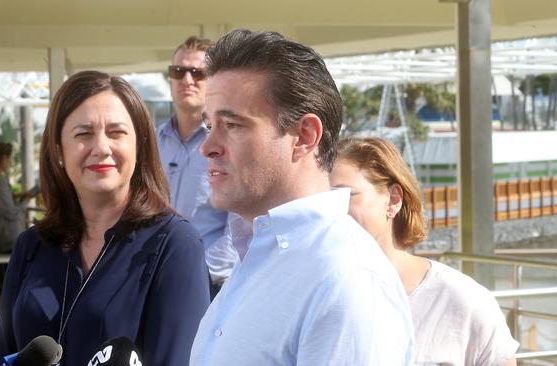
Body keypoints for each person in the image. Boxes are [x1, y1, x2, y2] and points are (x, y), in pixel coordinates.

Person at [189, 29, 414, 366]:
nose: (207, 147)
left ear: (305, 137)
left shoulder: (345, 279)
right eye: (209, 126)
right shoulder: (262, 256)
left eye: (232, 125)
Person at [0, 71, 211, 366]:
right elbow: (2, 353)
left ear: (140, 145)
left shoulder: (174, 245)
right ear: (58, 151)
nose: (101, 148)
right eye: (83, 134)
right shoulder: (32, 246)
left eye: (116, 132)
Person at [331, 136, 519, 366]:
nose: (330, 210)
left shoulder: (462, 300)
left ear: (393, 199)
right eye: (321, 200)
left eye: (345, 195)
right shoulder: (311, 295)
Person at [156, 36, 238, 290]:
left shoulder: (231, 143)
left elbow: (239, 223)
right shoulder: (151, 143)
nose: (187, 80)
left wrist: (199, 274)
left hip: (209, 284)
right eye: (178, 71)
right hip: (156, 279)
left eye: (198, 73)